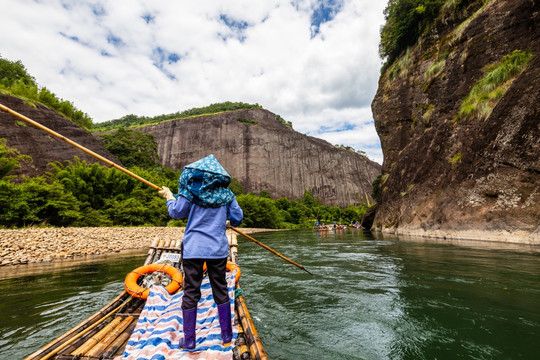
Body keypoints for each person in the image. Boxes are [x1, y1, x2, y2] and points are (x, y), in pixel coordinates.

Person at [158, 154, 243, 350]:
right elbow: (238, 218)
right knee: (220, 290)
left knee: (190, 292)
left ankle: (189, 341)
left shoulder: (190, 190)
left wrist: (169, 197)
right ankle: (227, 337)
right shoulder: (227, 195)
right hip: (217, 250)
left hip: (194, 249)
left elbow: (177, 212)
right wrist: (226, 221)